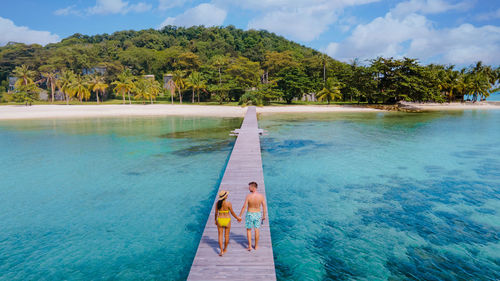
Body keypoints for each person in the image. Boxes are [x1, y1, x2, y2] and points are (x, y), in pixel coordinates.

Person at [239, 181, 267, 251]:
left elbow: (244, 207)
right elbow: (264, 207)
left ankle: (250, 246)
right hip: (257, 214)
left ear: (253, 187)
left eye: (250, 187)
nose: (249, 188)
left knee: (249, 230)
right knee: (257, 229)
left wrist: (240, 215)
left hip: (250, 214)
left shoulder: (249, 196)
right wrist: (264, 215)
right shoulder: (261, 196)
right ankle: (256, 246)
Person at [214, 190, 241, 256]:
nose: (227, 195)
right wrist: (237, 218)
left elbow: (216, 213)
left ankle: (221, 251)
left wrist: (215, 220)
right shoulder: (228, 203)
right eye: (226, 195)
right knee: (226, 236)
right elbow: (232, 213)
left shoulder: (217, 203)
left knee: (220, 235)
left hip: (220, 219)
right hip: (227, 220)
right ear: (225, 196)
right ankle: (225, 249)